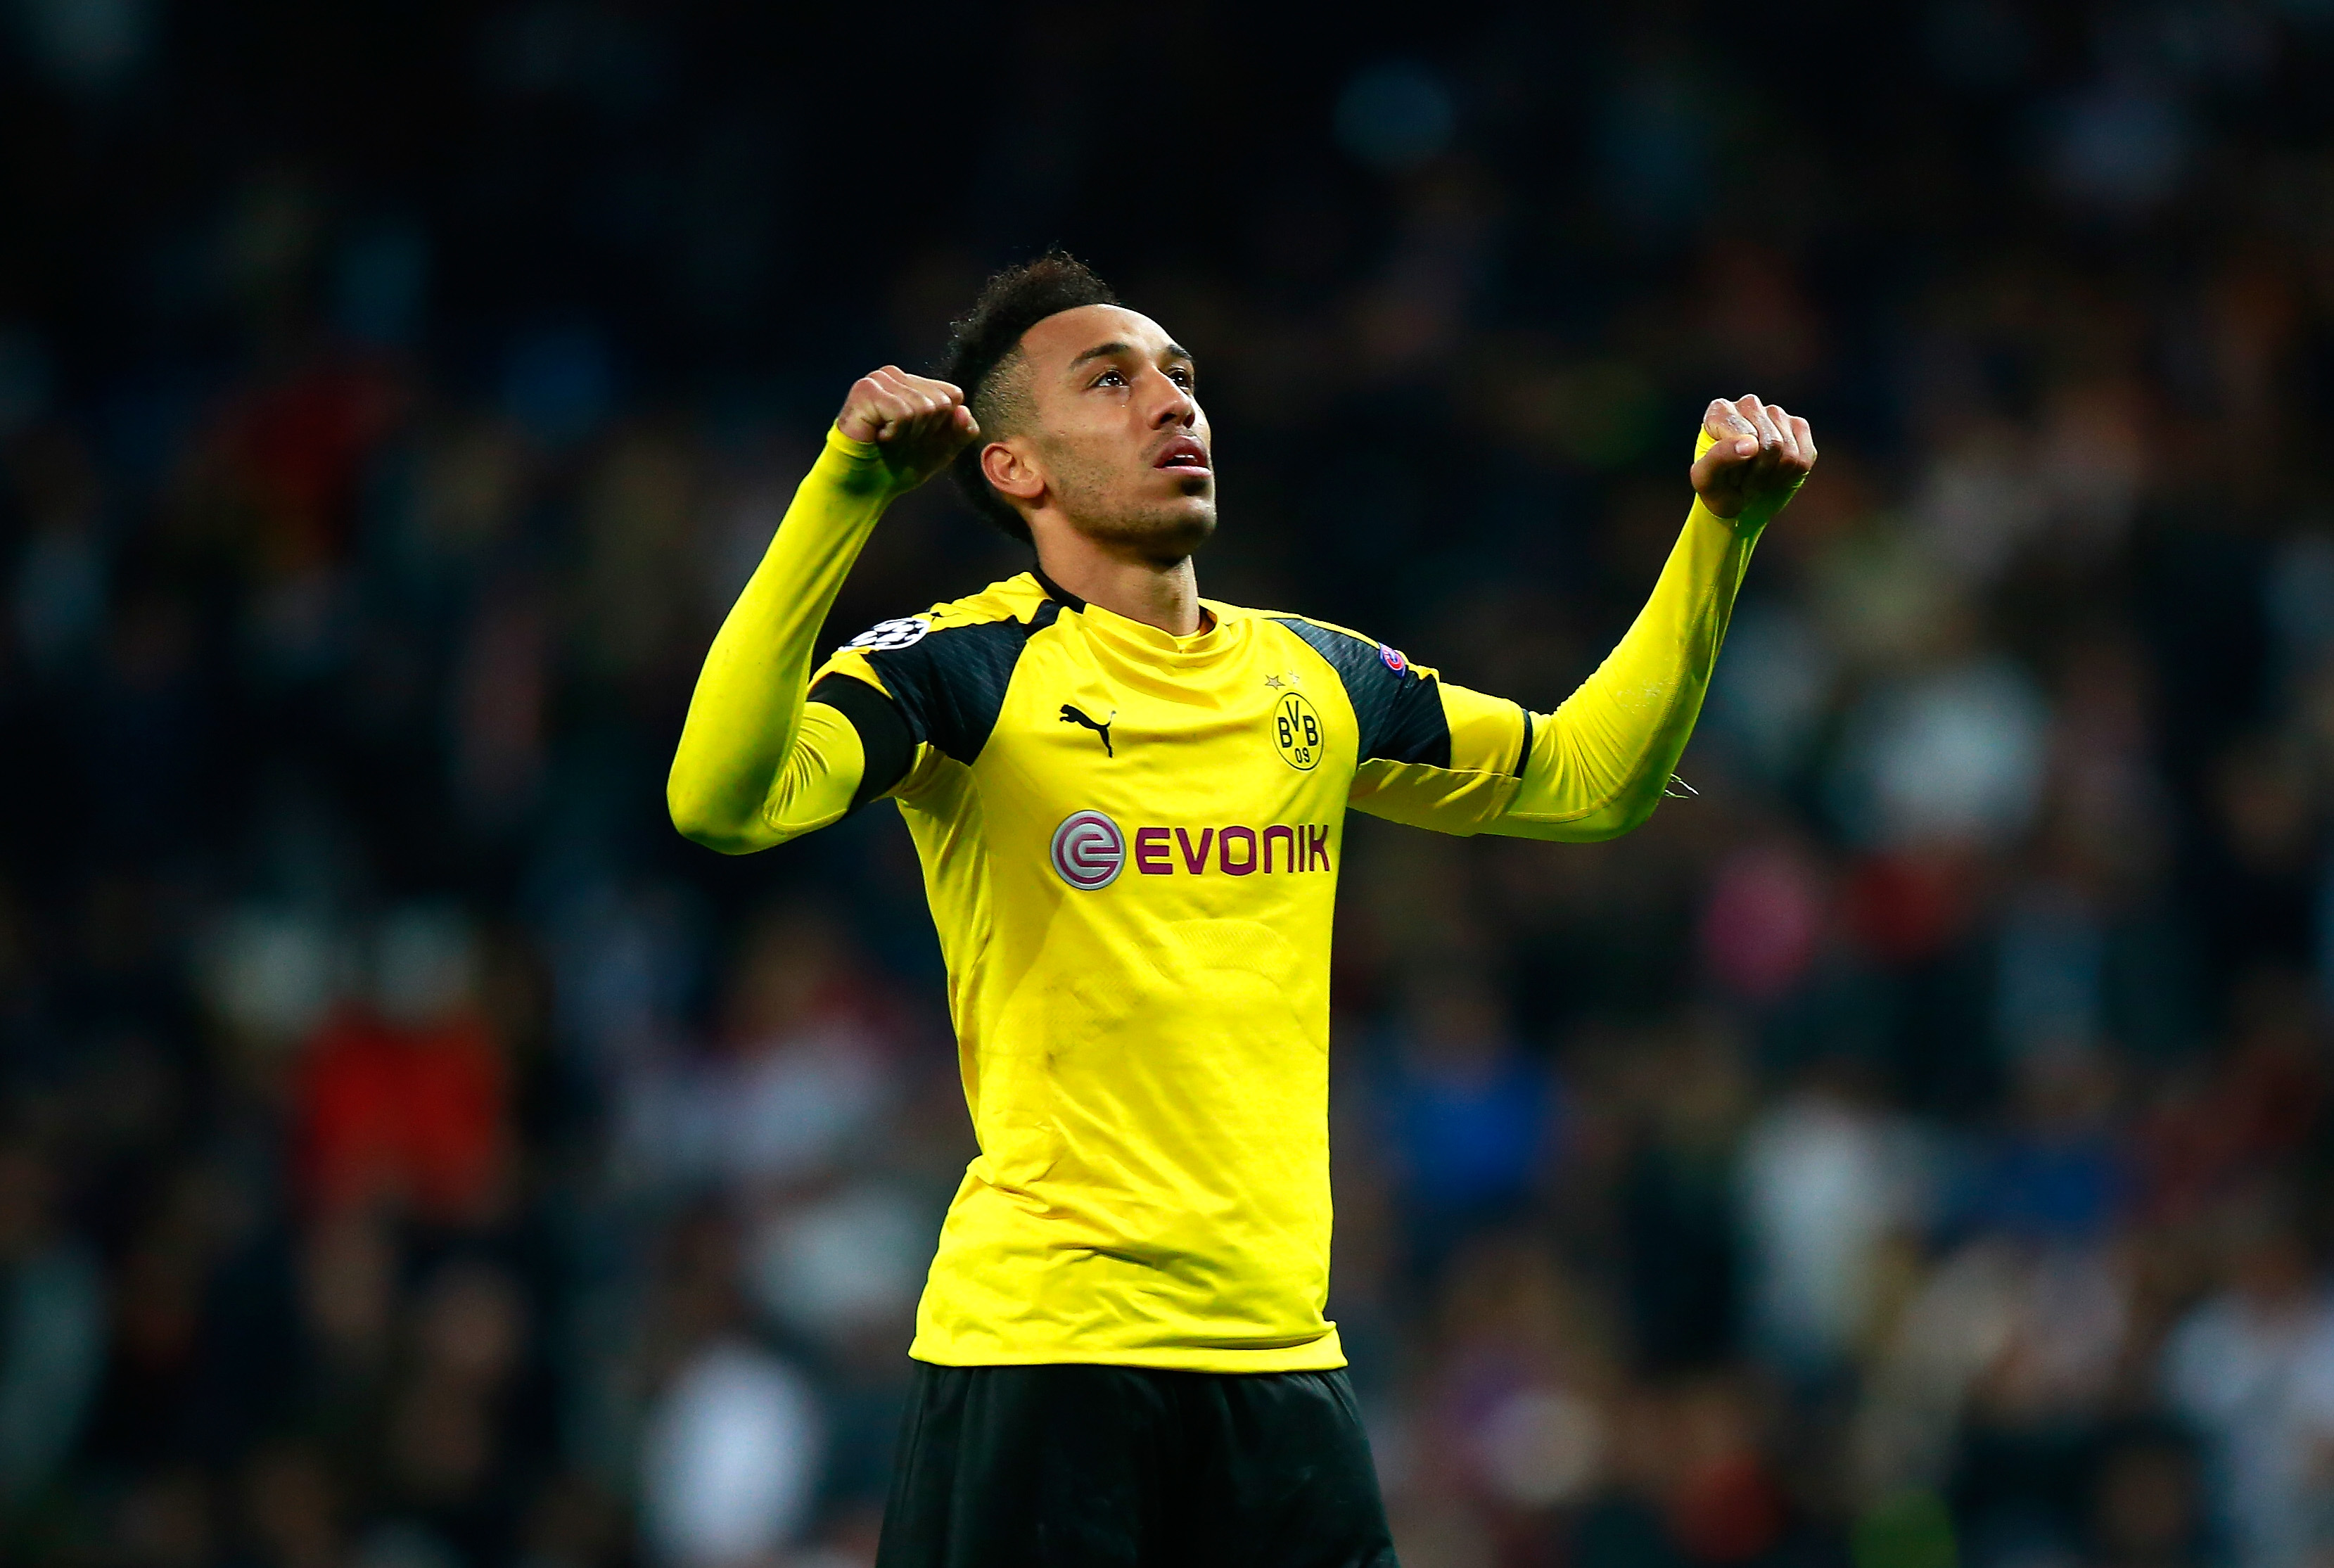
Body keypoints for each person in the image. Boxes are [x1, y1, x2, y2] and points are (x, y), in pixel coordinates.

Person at [667, 252, 1814, 1567]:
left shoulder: (1313, 675)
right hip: (1044, 1356)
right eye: (1111, 381)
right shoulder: (961, 671)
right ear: (1013, 466)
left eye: (1180, 376)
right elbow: (722, 801)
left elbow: (1589, 782)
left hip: (1279, 1361)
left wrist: (1720, 533)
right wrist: (845, 492)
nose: (1172, 402)